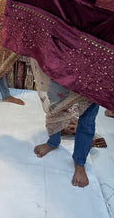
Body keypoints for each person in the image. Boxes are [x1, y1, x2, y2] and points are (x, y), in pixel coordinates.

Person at [30, 59, 99, 187]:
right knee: (55, 105)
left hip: (96, 65)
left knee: (88, 118)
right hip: (63, 56)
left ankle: (79, 162)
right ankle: (53, 141)